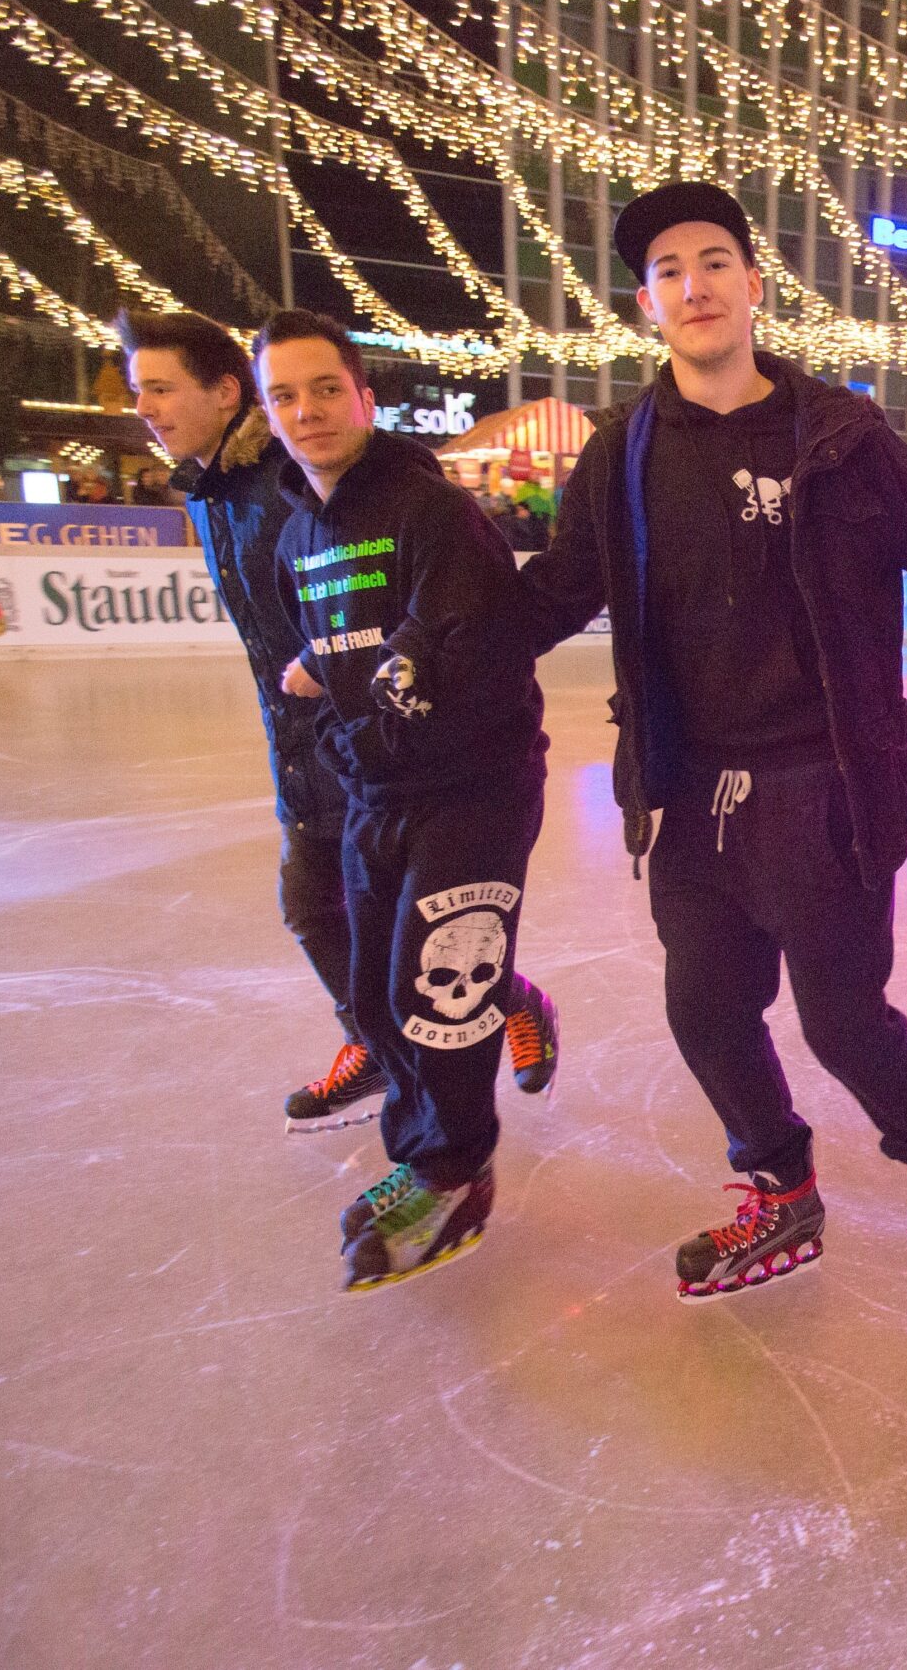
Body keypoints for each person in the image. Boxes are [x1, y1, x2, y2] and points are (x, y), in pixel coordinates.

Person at [519, 180, 907, 1304]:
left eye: (713, 261)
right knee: (704, 1011)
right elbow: (557, 591)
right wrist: (433, 651)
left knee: (841, 1017)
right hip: (688, 787)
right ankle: (780, 1189)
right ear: (646, 305)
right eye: (668, 271)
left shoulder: (841, 437)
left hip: (825, 783)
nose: (694, 284)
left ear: (753, 286)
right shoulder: (624, 449)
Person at [255, 309, 559, 1293]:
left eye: (324, 390)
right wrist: (343, 734)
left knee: (439, 992)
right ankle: (418, 1149)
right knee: (384, 991)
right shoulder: (297, 532)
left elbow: (470, 652)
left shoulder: (430, 511)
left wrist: (358, 708)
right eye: (285, 397)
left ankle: (453, 1174)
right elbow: (332, 656)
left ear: (364, 396)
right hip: (375, 787)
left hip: (472, 784)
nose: (307, 413)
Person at [120, 310, 373, 1130]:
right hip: (296, 745)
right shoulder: (208, 493)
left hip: (362, 740)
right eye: (138, 392)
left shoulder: (289, 476)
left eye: (161, 388)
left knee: (403, 922)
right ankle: (372, 1044)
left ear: (226, 391)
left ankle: (503, 1001)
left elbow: (368, 604)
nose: (146, 408)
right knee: (312, 904)